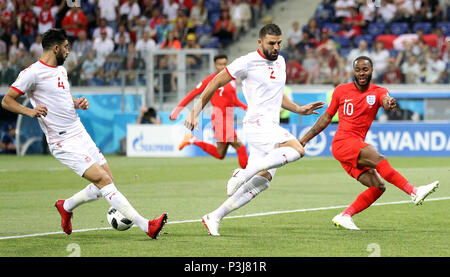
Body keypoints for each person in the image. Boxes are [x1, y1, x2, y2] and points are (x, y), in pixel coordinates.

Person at [1, 28, 167, 239]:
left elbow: (62, 96)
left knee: (107, 179)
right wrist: (30, 111)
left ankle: (66, 206)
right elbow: (7, 100)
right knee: (103, 180)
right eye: (67, 47)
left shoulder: (61, 70)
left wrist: (76, 102)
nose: (69, 51)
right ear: (56, 48)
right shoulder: (32, 73)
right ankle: (146, 226)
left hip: (78, 130)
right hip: (61, 140)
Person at [183, 24, 324, 236]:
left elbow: (277, 94)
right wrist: (195, 111)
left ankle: (214, 216)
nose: (276, 47)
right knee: (297, 149)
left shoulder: (281, 62)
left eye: (279, 43)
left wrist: (298, 109)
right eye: (271, 43)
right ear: (260, 42)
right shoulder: (246, 62)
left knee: (264, 180)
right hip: (257, 124)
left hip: (271, 126)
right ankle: (243, 172)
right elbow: (213, 83)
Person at [299, 56, 439, 230]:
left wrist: (389, 103)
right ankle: (414, 191)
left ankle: (345, 216)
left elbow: (385, 100)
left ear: (372, 70)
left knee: (378, 186)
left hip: (353, 145)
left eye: (365, 69)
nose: (361, 73)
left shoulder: (378, 91)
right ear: (354, 71)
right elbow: (326, 117)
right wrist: (304, 140)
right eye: (358, 70)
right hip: (343, 142)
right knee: (378, 158)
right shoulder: (341, 90)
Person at [170, 54, 249, 169]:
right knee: (239, 146)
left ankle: (192, 140)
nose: (222, 67)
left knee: (220, 153)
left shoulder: (232, 79)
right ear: (215, 65)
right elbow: (193, 94)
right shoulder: (211, 81)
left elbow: (233, 99)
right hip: (219, 120)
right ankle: (248, 176)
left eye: (224, 64)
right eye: (219, 64)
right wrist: (177, 110)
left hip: (229, 118)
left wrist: (246, 107)